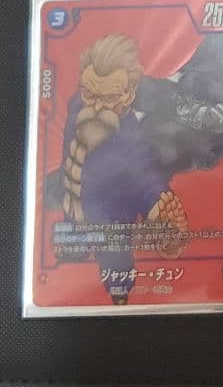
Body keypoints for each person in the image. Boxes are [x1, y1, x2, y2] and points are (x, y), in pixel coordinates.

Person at [57, 35, 187, 304]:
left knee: (117, 273)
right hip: (74, 210)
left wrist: (158, 207)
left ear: (129, 94)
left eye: (110, 97)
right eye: (89, 93)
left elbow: (146, 175)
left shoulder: (132, 137)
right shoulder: (78, 106)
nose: (97, 106)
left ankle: (120, 306)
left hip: (112, 219)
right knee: (67, 252)